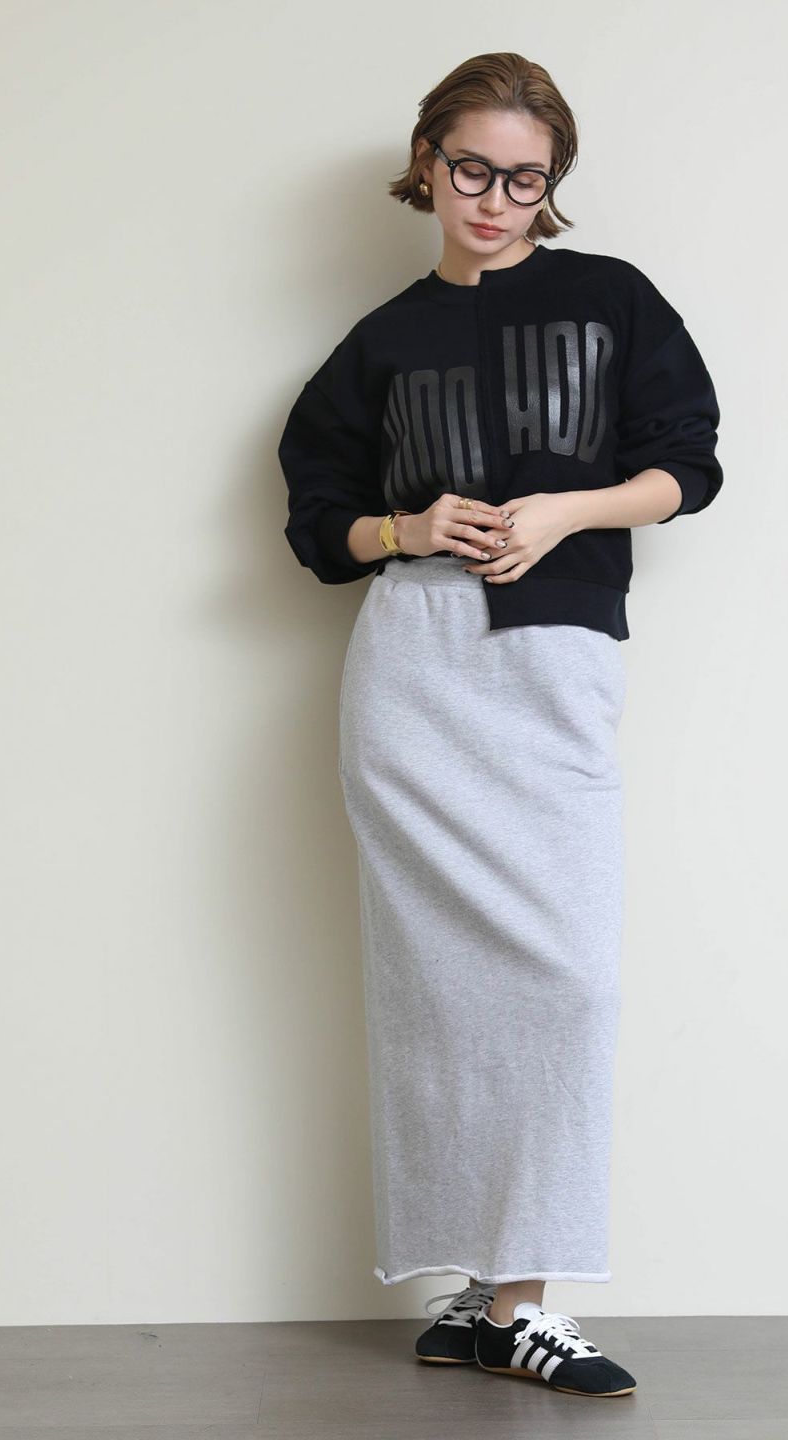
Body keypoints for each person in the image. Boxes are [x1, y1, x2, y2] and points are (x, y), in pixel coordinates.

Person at [277, 51, 722, 1400]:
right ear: (428, 164)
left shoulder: (613, 300)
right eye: (472, 169)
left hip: (555, 661)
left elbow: (687, 464)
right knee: (435, 996)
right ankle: (493, 1301)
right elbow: (316, 518)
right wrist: (405, 529)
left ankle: (507, 1294)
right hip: (413, 671)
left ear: (552, 187)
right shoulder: (381, 342)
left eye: (527, 180)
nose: (496, 198)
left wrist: (566, 510)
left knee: (566, 978)